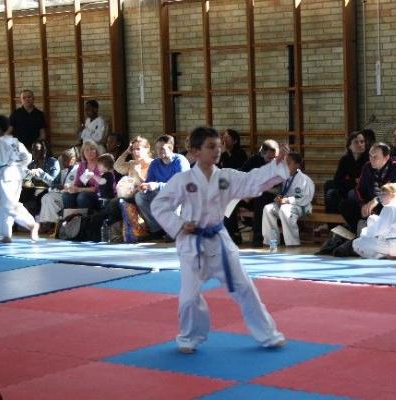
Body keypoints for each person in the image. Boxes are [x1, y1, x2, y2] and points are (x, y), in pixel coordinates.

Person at [151, 126, 287, 353]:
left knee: (246, 289)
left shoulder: (225, 177)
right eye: (211, 146)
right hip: (192, 244)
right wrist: (179, 224)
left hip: (219, 242)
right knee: (188, 299)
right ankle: (188, 338)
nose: (217, 150)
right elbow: (159, 205)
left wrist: (276, 166)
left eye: (219, 146)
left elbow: (252, 181)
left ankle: (268, 335)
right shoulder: (183, 180)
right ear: (196, 151)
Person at [0, 115, 39, 243]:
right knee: (4, 205)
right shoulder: (15, 141)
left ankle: (31, 224)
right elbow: (27, 157)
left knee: (9, 206)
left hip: (7, 175)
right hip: (16, 175)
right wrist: (19, 165)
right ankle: (6, 234)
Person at [339, 142, 396, 234]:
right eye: (370, 156)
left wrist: (377, 200)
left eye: (375, 157)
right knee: (345, 205)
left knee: (389, 209)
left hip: (390, 205)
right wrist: (363, 205)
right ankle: (362, 230)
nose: (371, 159)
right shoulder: (367, 166)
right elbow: (359, 189)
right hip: (371, 206)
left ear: (386, 157)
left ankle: (369, 231)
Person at [134, 134, 190, 238]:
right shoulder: (155, 163)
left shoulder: (180, 161)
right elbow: (149, 182)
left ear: (171, 148)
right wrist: (143, 188)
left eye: (162, 148)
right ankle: (156, 229)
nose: (159, 151)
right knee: (139, 197)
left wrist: (157, 186)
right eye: (157, 148)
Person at [261, 152, 315, 247]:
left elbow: (305, 198)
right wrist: (279, 197)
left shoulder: (305, 180)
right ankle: (272, 241)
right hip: (286, 205)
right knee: (268, 209)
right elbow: (283, 192)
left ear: (297, 165)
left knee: (285, 209)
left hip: (302, 207)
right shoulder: (285, 178)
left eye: (288, 163)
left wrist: (287, 200)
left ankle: (292, 243)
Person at [352, 183, 396, 259]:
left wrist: (363, 233)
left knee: (357, 243)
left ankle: (380, 256)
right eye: (380, 194)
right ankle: (381, 254)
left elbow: (376, 231)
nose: (381, 197)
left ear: (393, 195)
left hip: (394, 248)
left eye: (384, 194)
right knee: (372, 218)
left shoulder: (389, 208)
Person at [324, 131, 369, 213]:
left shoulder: (369, 159)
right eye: (356, 142)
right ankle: (331, 219)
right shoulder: (345, 159)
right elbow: (337, 180)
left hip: (364, 188)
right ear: (349, 146)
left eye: (362, 142)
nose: (360, 144)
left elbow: (365, 181)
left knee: (351, 193)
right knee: (329, 188)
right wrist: (353, 181)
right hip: (350, 185)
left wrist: (353, 181)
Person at [38, 149, 78, 234]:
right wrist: (56, 185)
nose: (63, 162)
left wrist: (63, 186)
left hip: (71, 195)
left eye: (66, 159)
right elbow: (54, 183)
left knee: (49, 198)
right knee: (45, 197)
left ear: (73, 159)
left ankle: (53, 225)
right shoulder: (63, 172)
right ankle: (47, 223)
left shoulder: (77, 170)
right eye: (63, 159)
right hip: (61, 193)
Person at [21, 139, 60, 215]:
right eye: (32, 150)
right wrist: (27, 179)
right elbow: (26, 181)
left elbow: (54, 182)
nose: (34, 152)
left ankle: (35, 217)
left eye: (37, 150)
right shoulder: (32, 164)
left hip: (49, 190)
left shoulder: (53, 162)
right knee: (22, 192)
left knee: (39, 195)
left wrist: (41, 174)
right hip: (33, 189)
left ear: (44, 150)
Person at [62, 140, 102, 212]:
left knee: (82, 197)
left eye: (92, 149)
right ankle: (71, 217)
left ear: (96, 151)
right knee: (66, 195)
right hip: (83, 191)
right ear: (83, 153)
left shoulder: (101, 164)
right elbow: (78, 183)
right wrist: (70, 187)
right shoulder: (82, 165)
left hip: (99, 194)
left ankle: (85, 218)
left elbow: (97, 188)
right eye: (87, 150)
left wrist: (78, 189)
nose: (89, 152)